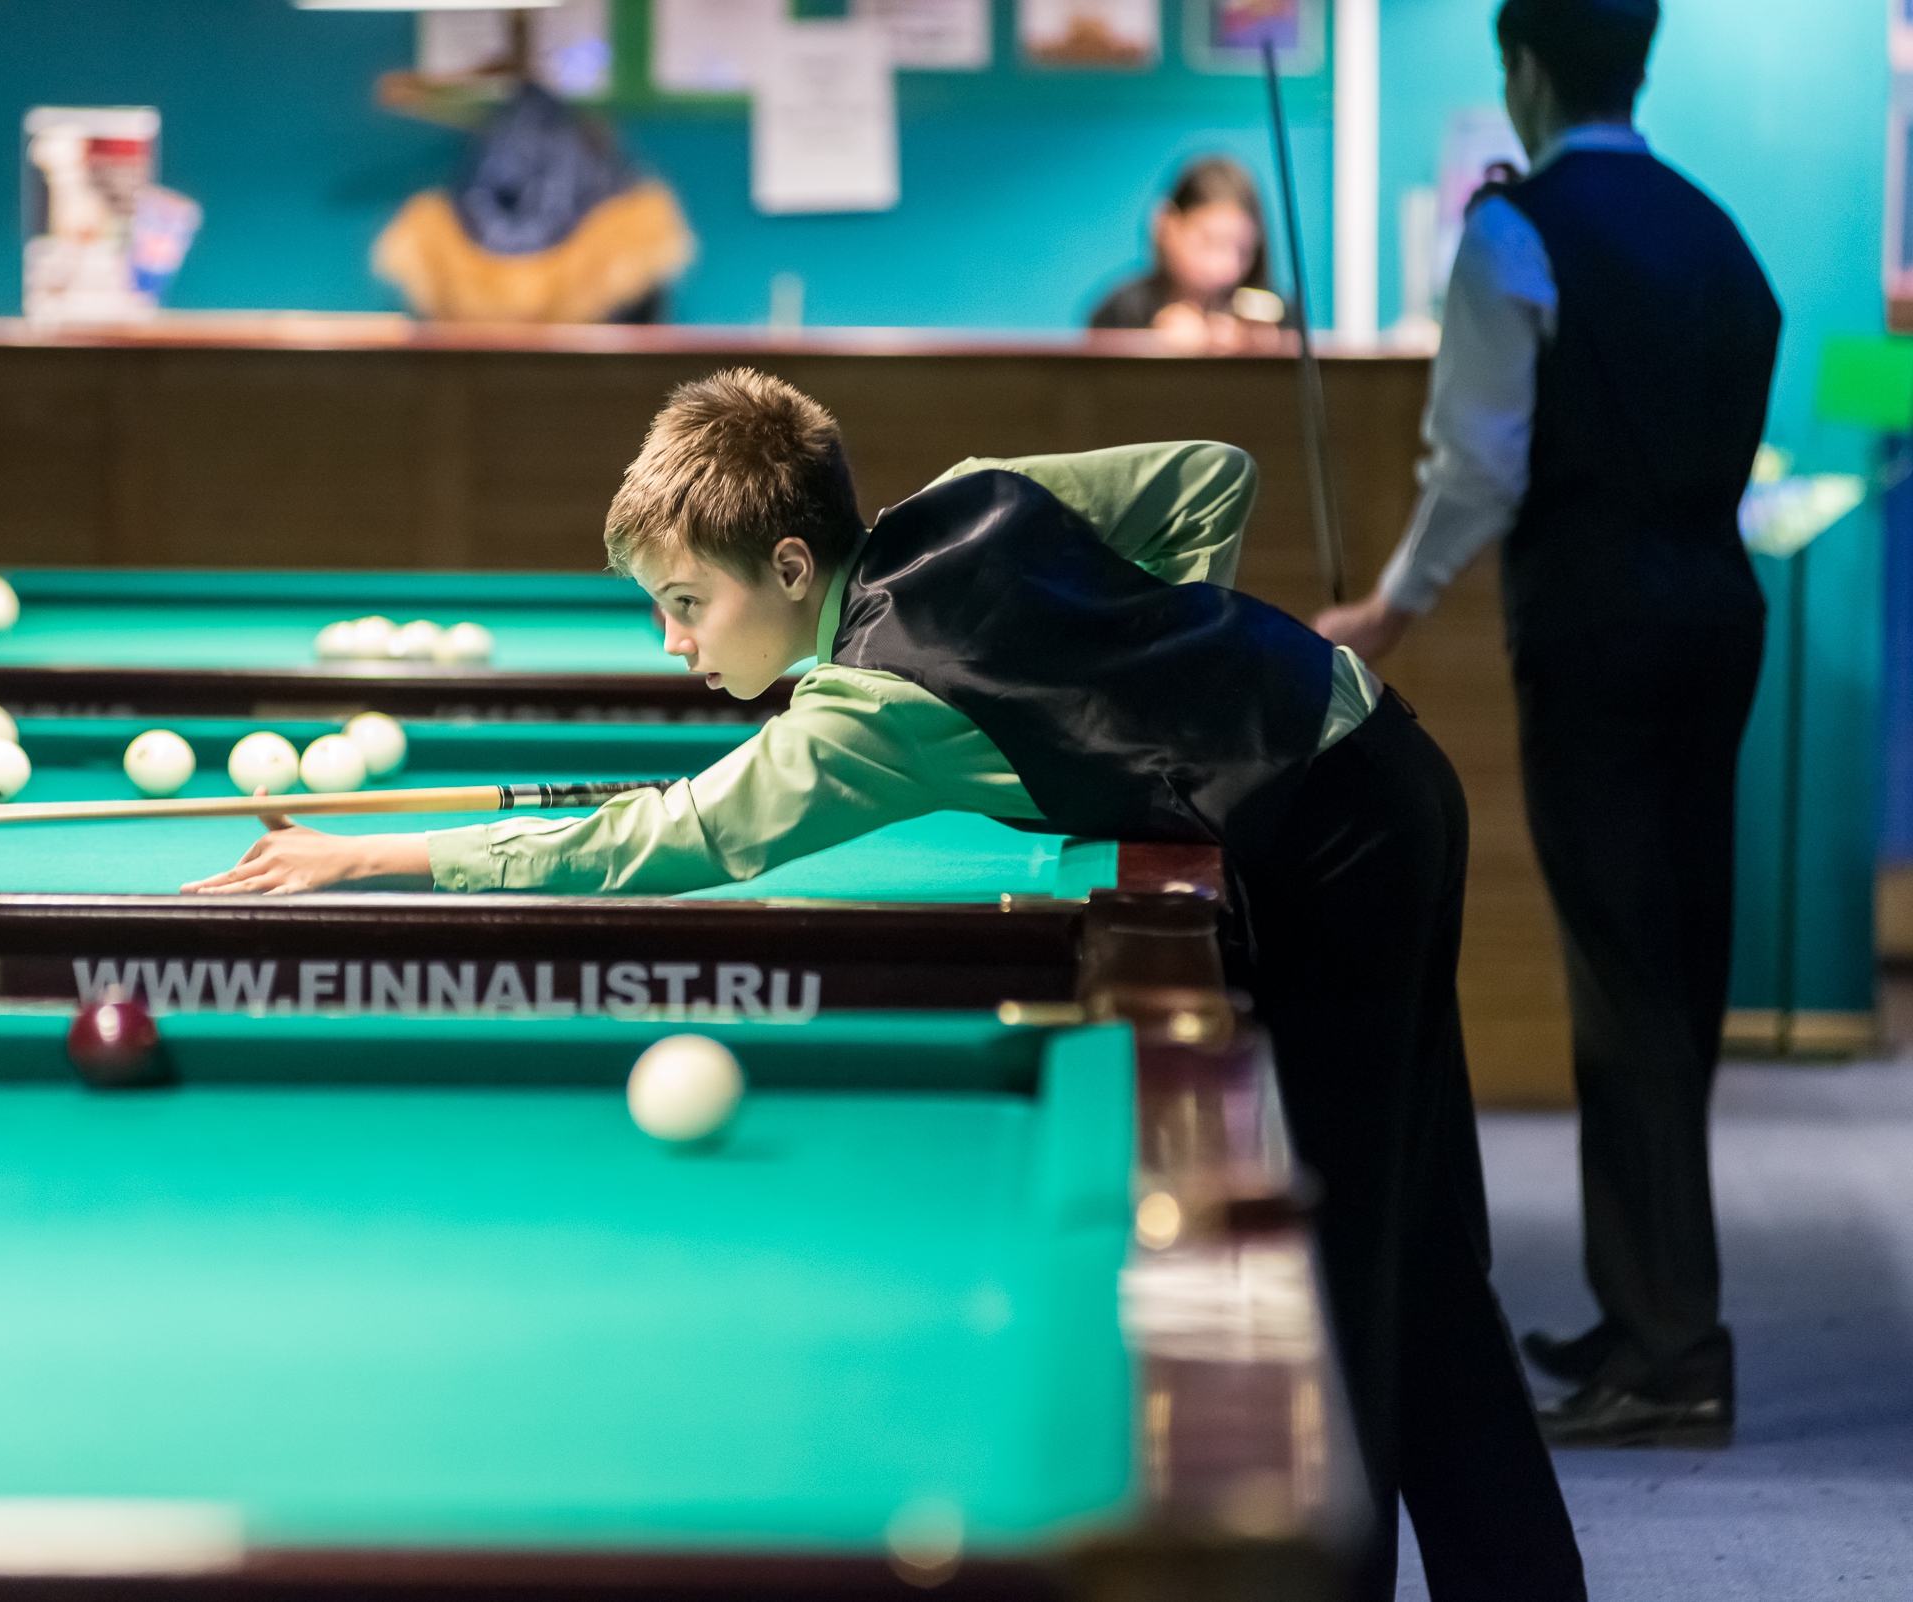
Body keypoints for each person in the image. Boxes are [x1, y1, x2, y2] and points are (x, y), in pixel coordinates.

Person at [189, 369, 1586, 1601]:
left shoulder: (866, 709)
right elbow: (1207, 477)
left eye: (687, 603)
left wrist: (375, 851)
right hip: (1387, 768)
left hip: (1332, 846)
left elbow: (663, 842)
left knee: (1338, 1275)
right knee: (1411, 1246)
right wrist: (1168, 674)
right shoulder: (966, 497)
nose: (673, 643)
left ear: (792, 562)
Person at [1314, 0, 1777, 1450]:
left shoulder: (1514, 232)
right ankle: (1644, 1310)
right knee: (1674, 967)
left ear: (1523, 71)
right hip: (1719, 616)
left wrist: (1387, 611)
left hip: (1595, 633)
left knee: (1623, 977)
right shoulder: (1718, 231)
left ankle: (1673, 1348)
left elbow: (1478, 467)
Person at [1088, 156, 1288, 352]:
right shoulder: (1121, 310)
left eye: (1243, 250)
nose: (1227, 266)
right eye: (1210, 242)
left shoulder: (1279, 321)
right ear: (1167, 224)